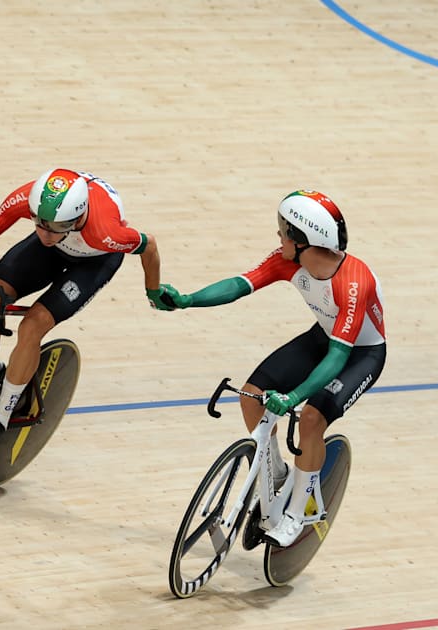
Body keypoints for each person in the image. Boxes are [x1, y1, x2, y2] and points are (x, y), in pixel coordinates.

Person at [155, 190, 387, 547]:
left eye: (284, 230)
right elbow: (239, 285)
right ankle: (277, 471)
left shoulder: (354, 282)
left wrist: (294, 396)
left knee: (310, 418)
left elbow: (339, 359)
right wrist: (188, 301)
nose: (279, 237)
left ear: (303, 240)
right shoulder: (289, 261)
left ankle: (301, 512)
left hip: (361, 355)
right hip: (323, 339)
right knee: (252, 396)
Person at [0, 168, 170, 455]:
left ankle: (1, 417)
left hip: (93, 263)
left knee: (33, 325)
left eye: (55, 227)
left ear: (77, 218)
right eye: (40, 223)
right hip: (49, 253)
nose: (46, 232)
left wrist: (154, 291)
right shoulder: (29, 200)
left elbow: (149, 246)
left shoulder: (105, 232)